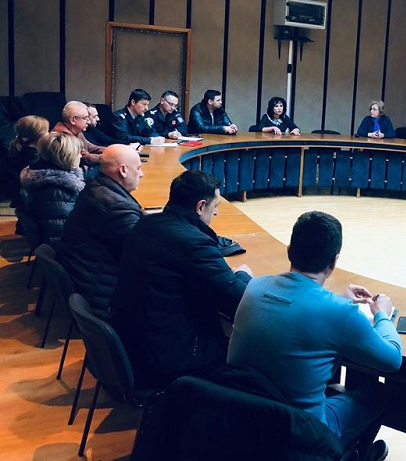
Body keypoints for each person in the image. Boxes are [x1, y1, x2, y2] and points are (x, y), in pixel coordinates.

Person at [228, 211, 401, 461]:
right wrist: (382, 313)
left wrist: (337, 301)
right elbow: (392, 359)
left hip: (243, 423)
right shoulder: (341, 313)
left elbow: (295, 308)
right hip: (301, 436)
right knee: (376, 393)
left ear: (289, 251)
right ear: (334, 262)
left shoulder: (255, 286)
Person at [112, 170, 252, 388]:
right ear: (200, 207)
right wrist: (242, 275)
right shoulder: (195, 243)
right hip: (168, 356)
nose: (215, 213)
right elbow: (237, 301)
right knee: (251, 359)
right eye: (215, 207)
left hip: (132, 341)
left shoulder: (145, 224)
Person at [57, 144, 144, 320]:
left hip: (87, 277)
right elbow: (143, 254)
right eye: (138, 168)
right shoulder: (116, 207)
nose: (142, 174)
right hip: (103, 293)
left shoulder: (96, 187)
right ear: (123, 171)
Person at [18, 132, 85, 246]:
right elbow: (57, 236)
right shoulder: (56, 192)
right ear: (66, 156)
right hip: (67, 248)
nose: (80, 156)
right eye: (78, 152)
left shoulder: (38, 178)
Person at [2, 115, 49, 206]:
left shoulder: (18, 152)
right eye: (46, 131)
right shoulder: (35, 160)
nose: (49, 134)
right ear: (39, 136)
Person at [52, 101, 105, 167]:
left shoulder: (76, 130)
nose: (88, 122)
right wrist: (110, 157)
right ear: (73, 120)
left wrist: (111, 150)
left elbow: (90, 147)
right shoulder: (62, 137)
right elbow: (84, 157)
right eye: (85, 118)